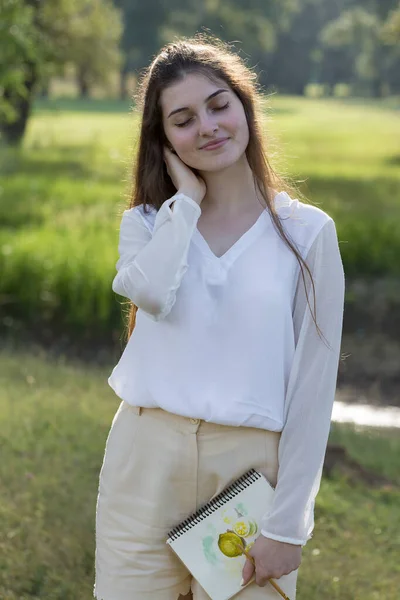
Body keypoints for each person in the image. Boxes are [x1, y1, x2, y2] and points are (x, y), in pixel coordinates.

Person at [94, 34, 345, 600]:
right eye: (181, 119)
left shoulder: (308, 234)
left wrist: (288, 523)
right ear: (163, 140)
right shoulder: (148, 224)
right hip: (144, 458)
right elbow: (151, 295)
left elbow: (312, 388)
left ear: (244, 105)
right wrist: (183, 202)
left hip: (250, 469)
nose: (206, 126)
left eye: (217, 105)